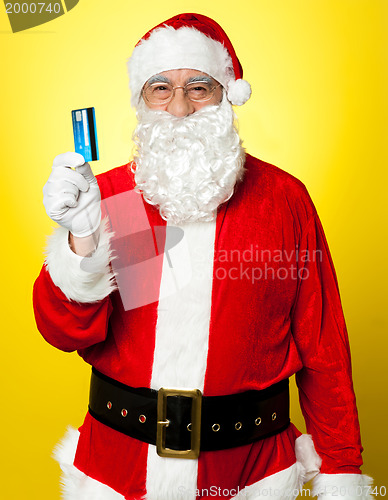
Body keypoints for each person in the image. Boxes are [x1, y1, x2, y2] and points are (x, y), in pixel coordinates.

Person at [33, 13, 372, 500]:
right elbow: (63, 333)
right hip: (120, 470)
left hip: (250, 472)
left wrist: (341, 470)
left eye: (199, 87)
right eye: (160, 88)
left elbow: (324, 348)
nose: (180, 108)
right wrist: (82, 242)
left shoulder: (281, 200)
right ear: (141, 101)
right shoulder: (107, 197)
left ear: (226, 95)